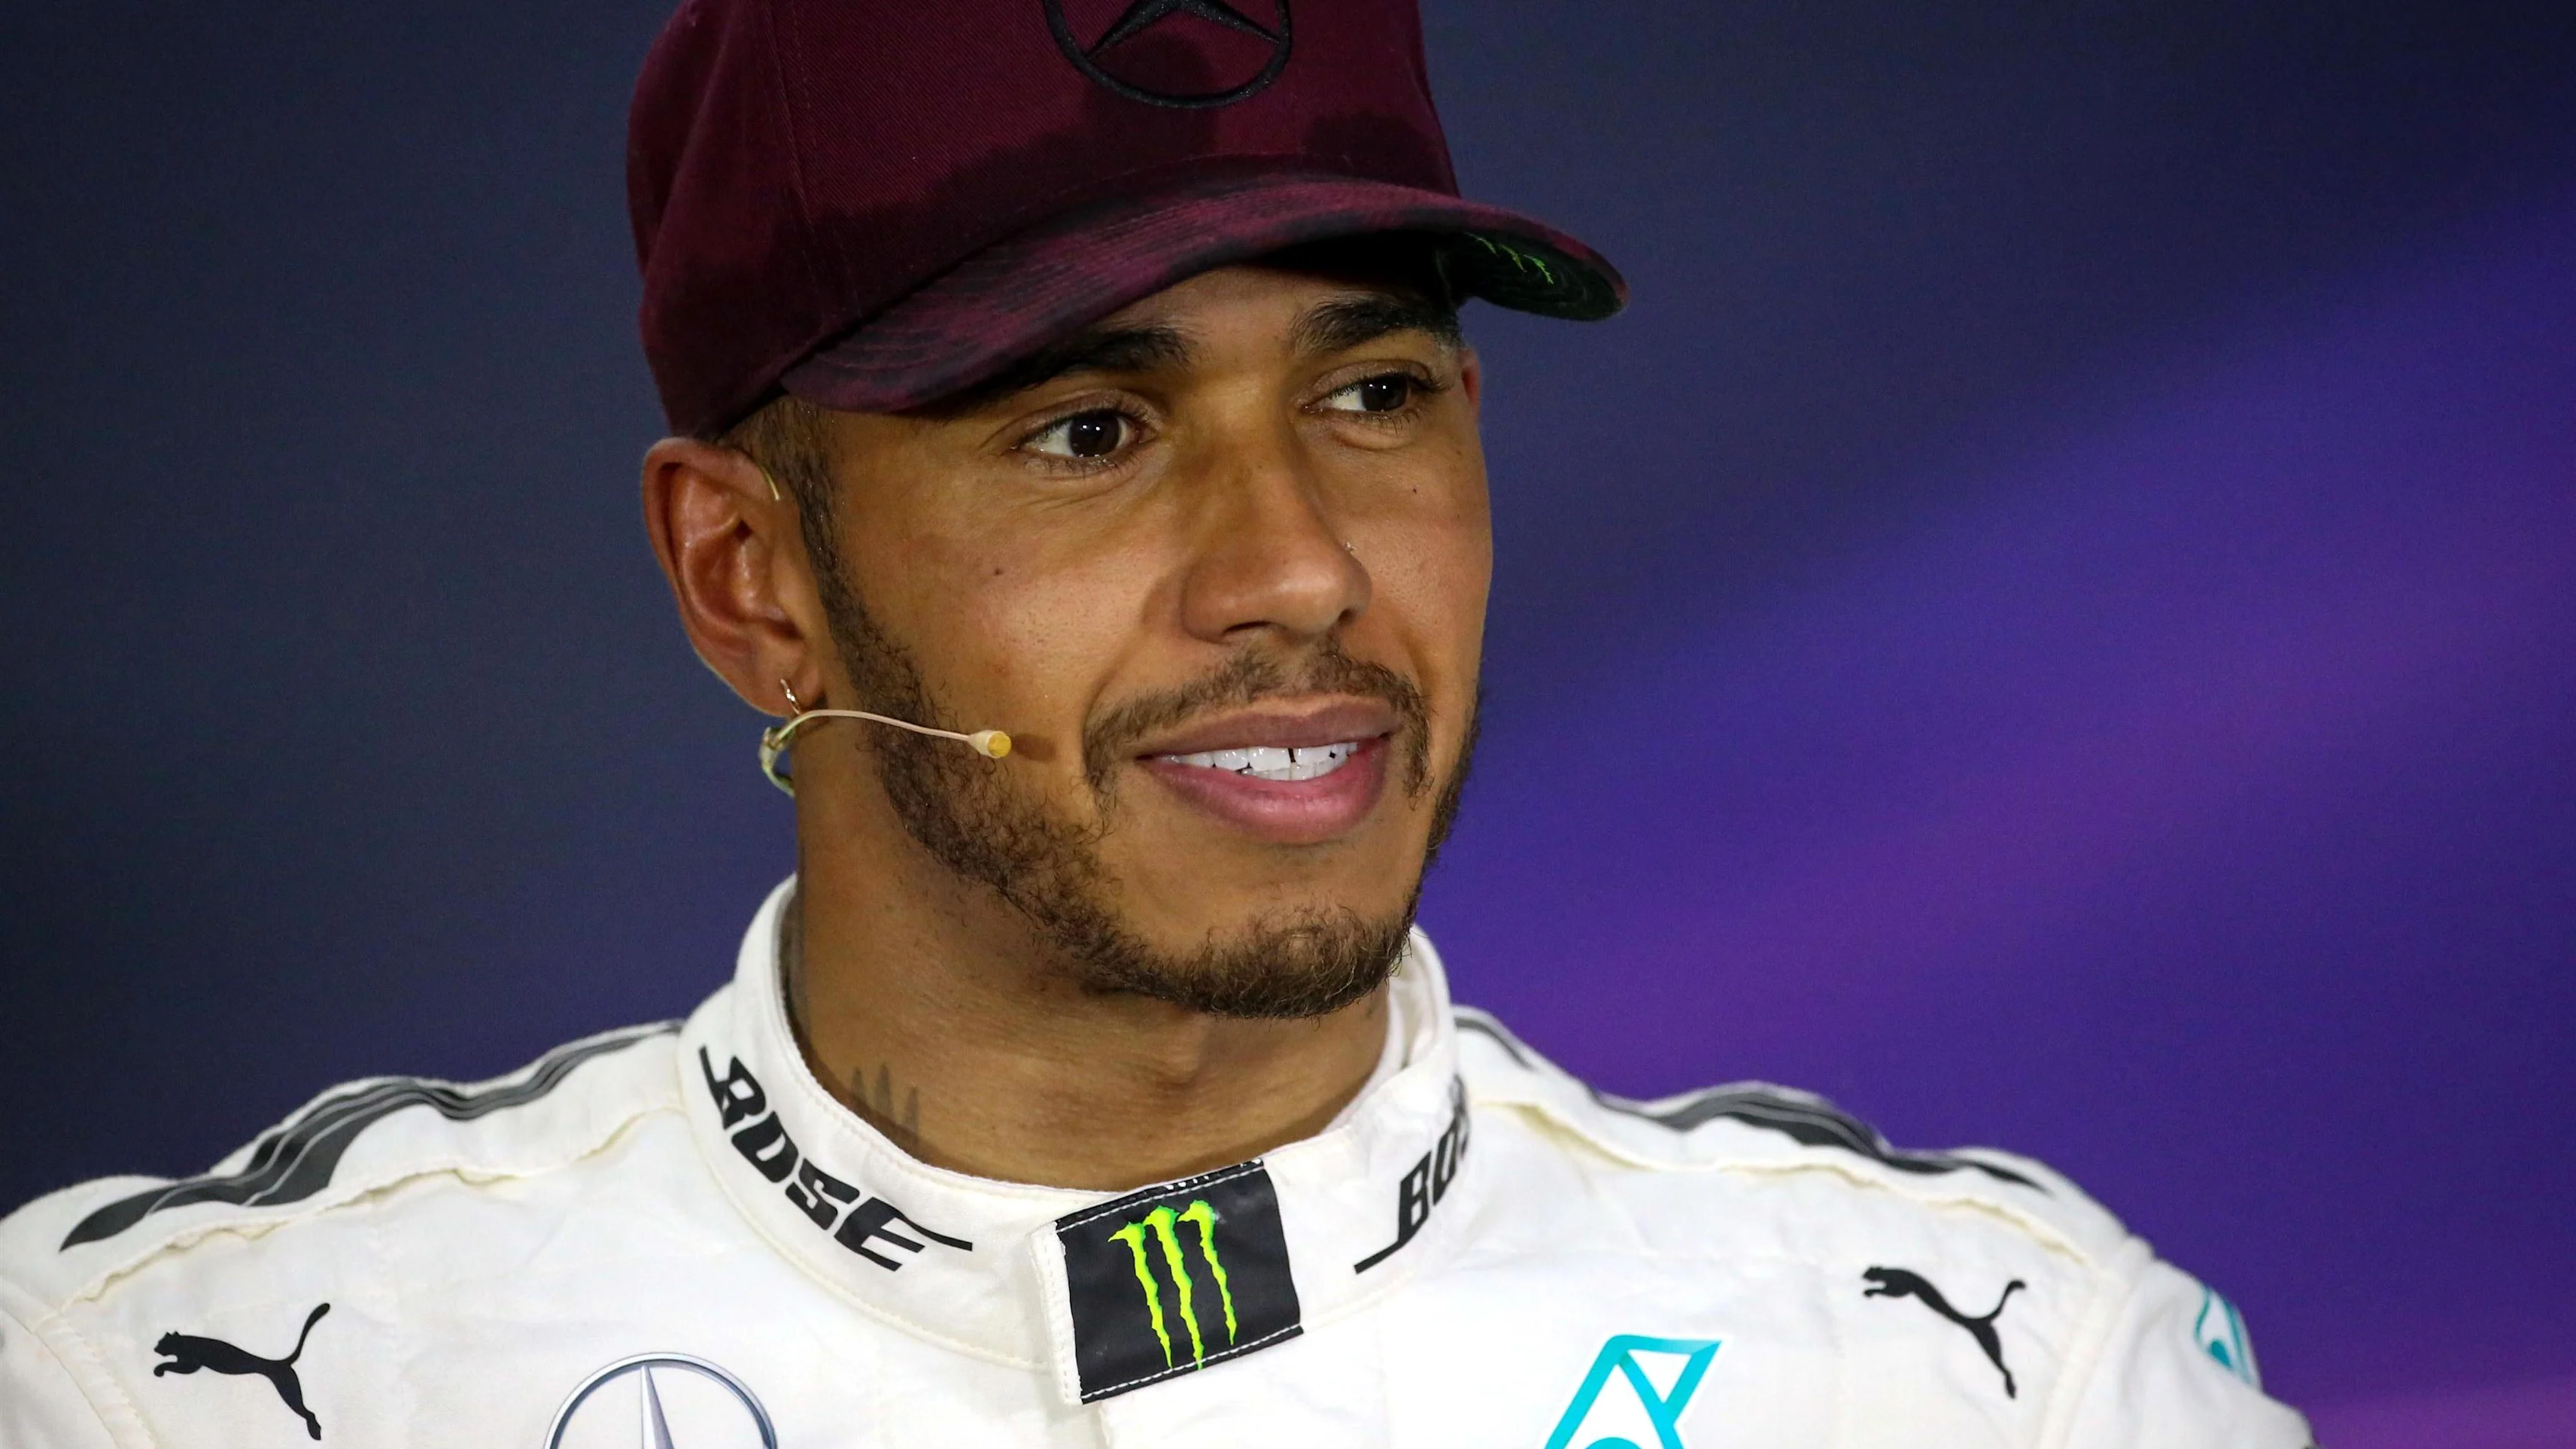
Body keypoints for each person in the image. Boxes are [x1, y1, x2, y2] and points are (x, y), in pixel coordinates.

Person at [0, 2, 2315, 1444]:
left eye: (1374, 390)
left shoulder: (1989, 1371)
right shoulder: (156, 1387)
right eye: (1086, 432)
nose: (1301, 563)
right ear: (751, 579)